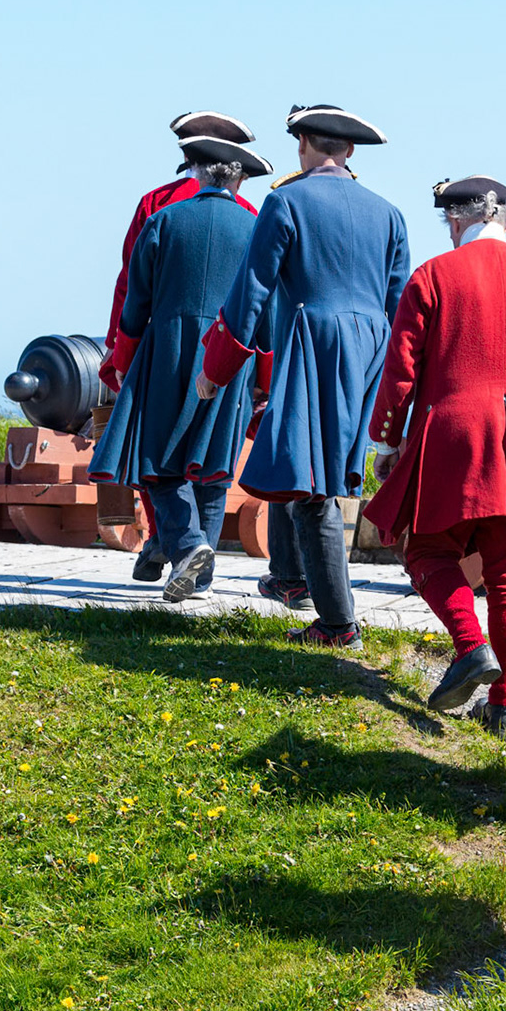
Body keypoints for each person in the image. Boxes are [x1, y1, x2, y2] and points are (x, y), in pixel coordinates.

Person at [361, 174, 506, 733]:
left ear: (455, 219)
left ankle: (470, 647)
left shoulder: (433, 275)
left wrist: (387, 441)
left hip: (454, 436)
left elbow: (401, 370)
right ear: (503, 220)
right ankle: (505, 704)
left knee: (427, 551)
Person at [198, 105, 410, 649]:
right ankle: (293, 581)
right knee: (306, 470)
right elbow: (399, 307)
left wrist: (216, 369)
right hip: (372, 351)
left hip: (317, 344)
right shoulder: (389, 213)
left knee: (313, 485)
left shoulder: (286, 201)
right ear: (350, 151)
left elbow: (251, 292)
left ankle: (338, 625)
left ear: (302, 144)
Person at [91, 136, 276, 600]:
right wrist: (264, 378)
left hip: (167, 352)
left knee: (157, 463)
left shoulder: (163, 219)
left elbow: (135, 304)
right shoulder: (257, 228)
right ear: (240, 180)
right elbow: (267, 313)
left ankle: (191, 546)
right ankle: (201, 580)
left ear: (196, 172)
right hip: (230, 355)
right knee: (213, 467)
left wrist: (123, 361)